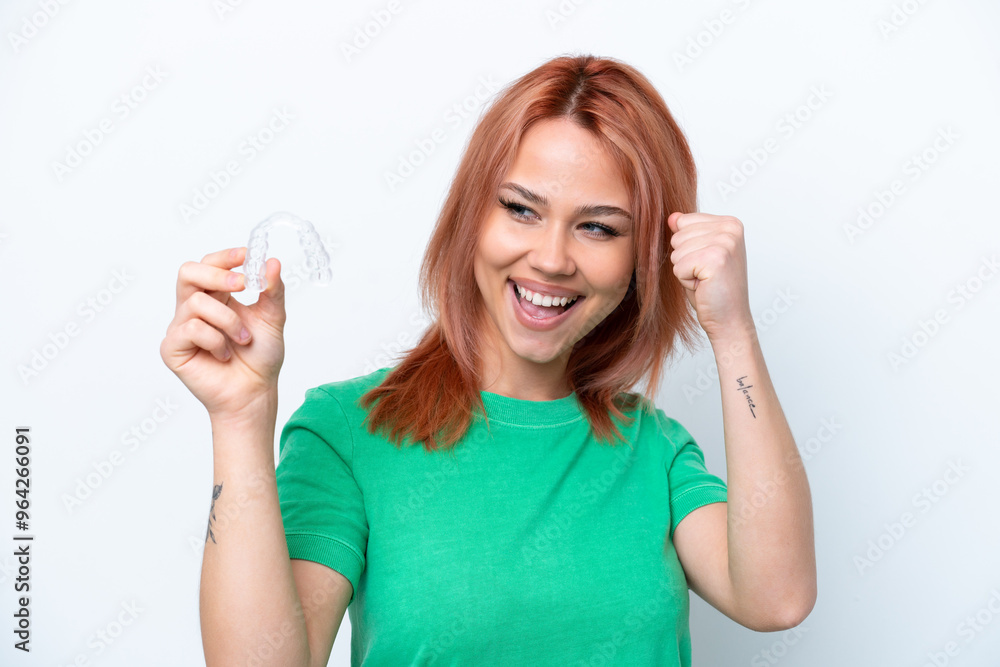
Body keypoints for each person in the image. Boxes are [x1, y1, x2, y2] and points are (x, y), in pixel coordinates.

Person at [161, 53, 816, 666]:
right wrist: (241, 419)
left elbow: (776, 596)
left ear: (641, 259)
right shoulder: (348, 433)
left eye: (598, 226)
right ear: (472, 216)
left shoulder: (655, 449)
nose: (553, 258)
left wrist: (731, 328)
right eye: (522, 209)